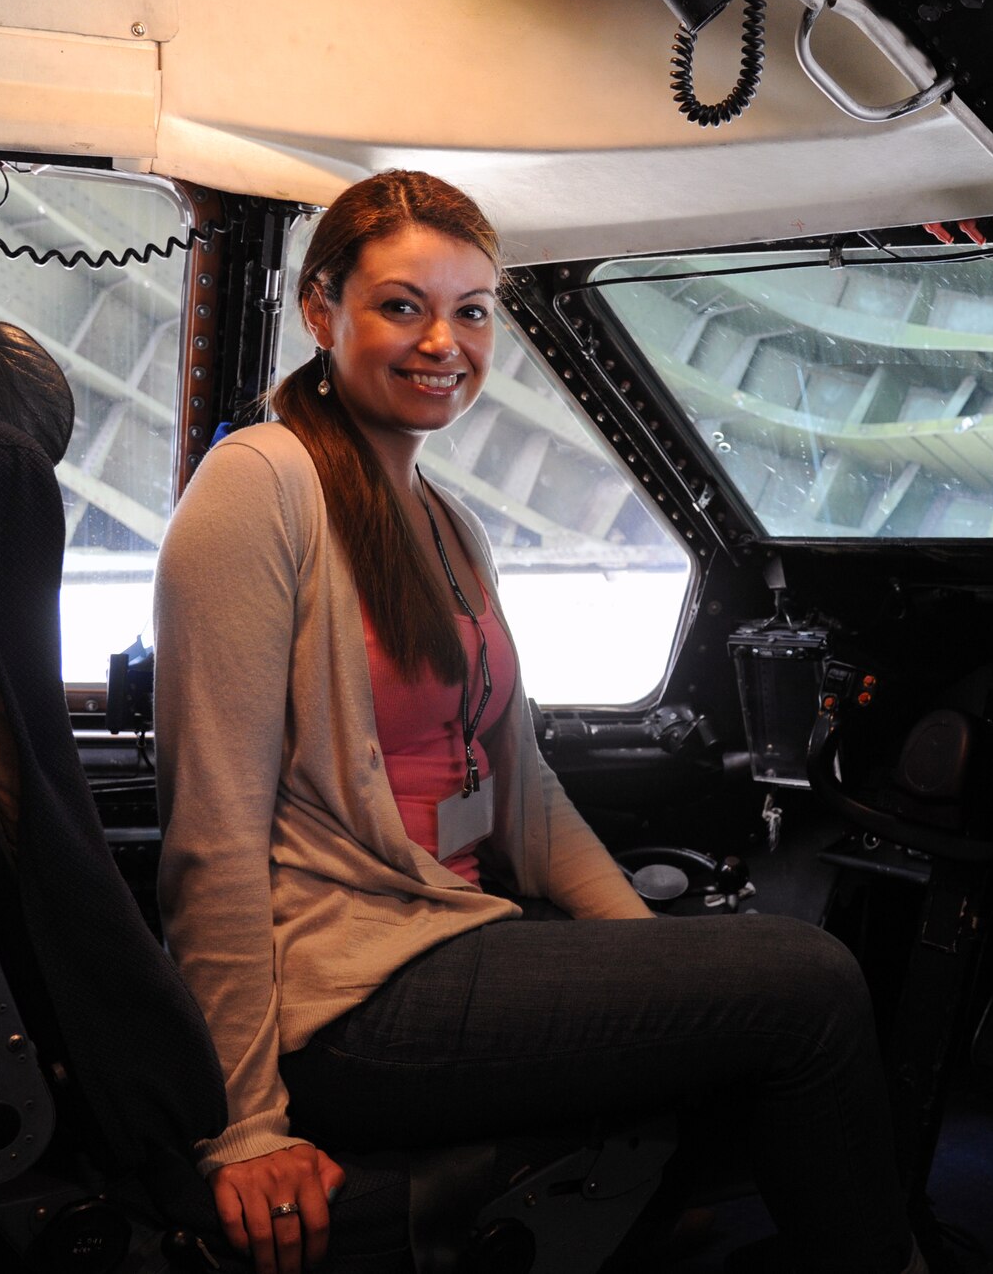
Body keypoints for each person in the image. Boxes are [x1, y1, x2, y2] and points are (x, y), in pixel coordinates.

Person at [154, 170, 927, 1274]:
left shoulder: (443, 523)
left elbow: (523, 789)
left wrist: (648, 964)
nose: (443, 342)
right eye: (401, 304)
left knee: (752, 995)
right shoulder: (260, 485)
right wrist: (244, 1126)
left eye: (471, 310)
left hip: (451, 937)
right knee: (807, 982)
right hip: (343, 998)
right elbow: (211, 831)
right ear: (322, 311)